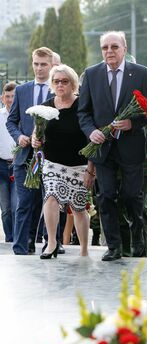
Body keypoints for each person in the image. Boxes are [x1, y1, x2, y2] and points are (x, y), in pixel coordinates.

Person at [78, 31, 147, 261]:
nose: (109, 51)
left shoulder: (140, 73)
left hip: (132, 148)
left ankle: (138, 242)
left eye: (114, 46)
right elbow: (83, 112)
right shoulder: (91, 75)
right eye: (105, 47)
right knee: (106, 197)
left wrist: (132, 123)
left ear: (124, 48)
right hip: (103, 150)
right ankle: (113, 247)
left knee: (132, 197)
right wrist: (91, 131)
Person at [31, 65, 93, 258]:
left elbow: (91, 138)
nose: (60, 85)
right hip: (52, 163)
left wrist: (91, 169)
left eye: (64, 81)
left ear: (73, 84)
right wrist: (34, 139)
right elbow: (38, 131)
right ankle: (51, 243)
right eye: (56, 81)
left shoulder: (83, 105)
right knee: (50, 197)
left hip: (78, 165)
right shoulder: (46, 105)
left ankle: (83, 250)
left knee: (78, 208)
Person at [6, 47, 54, 255]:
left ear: (51, 65)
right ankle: (20, 247)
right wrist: (20, 136)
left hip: (51, 157)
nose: (39, 68)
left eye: (43, 64)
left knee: (48, 202)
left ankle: (50, 243)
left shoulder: (58, 89)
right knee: (25, 203)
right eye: (36, 64)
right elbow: (11, 121)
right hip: (25, 157)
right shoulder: (22, 90)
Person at [0, 82, 17, 243]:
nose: (10, 100)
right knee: (5, 208)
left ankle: (17, 237)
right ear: (2, 98)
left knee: (16, 205)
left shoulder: (22, 116)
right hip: (1, 166)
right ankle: (9, 238)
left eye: (13, 96)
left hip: (18, 165)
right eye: (7, 96)